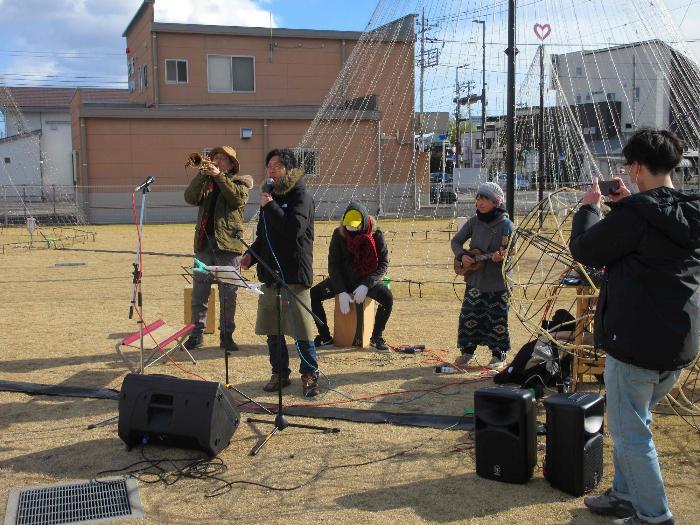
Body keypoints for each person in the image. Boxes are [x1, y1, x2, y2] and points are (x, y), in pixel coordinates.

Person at [570, 128, 699, 525]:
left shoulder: (634, 216)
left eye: (628, 166)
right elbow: (655, 234)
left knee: (631, 434)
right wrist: (633, 204)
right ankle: (625, 493)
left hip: (636, 344)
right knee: (634, 421)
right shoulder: (690, 209)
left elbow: (585, 249)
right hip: (679, 343)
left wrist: (589, 207)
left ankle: (654, 516)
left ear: (638, 168)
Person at [240, 148, 320, 397]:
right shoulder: (269, 196)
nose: (271, 169)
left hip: (294, 274)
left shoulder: (301, 196)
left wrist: (271, 205)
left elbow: (293, 229)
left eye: (277, 165)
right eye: (269, 165)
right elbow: (265, 236)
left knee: (301, 329)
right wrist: (250, 256)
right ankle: (279, 373)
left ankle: (309, 374)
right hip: (270, 275)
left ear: (289, 168)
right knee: (272, 329)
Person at [183, 146, 253, 354]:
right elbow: (189, 197)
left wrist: (219, 177)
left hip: (228, 245)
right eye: (215, 158)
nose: (217, 161)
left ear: (232, 164)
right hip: (204, 243)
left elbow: (237, 200)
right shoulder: (206, 182)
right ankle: (196, 336)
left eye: (223, 158)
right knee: (199, 293)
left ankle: (226, 335)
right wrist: (201, 176)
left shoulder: (241, 182)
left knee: (228, 294)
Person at [310, 201, 393, 352]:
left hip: (367, 280)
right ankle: (324, 336)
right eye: (348, 225)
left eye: (355, 226)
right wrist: (340, 290)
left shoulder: (376, 235)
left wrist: (366, 285)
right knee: (313, 295)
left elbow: (383, 264)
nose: (351, 229)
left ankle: (376, 337)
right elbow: (333, 265)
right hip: (343, 280)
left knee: (387, 297)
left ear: (364, 222)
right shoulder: (338, 234)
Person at [450, 181, 513, 369]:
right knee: (469, 316)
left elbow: (511, 252)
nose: (480, 202)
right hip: (475, 281)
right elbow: (456, 242)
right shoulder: (474, 221)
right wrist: (463, 256)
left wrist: (500, 257)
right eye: (478, 198)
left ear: (496, 202)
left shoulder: (506, 225)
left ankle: (498, 355)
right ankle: (467, 351)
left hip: (498, 283)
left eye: (484, 199)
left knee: (497, 318)